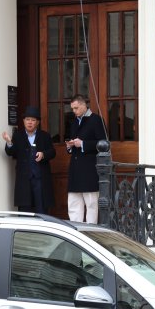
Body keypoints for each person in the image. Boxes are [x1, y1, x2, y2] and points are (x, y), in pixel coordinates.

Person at [2, 106, 55, 213]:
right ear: (23, 121)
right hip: (24, 179)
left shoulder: (45, 136)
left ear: (37, 122)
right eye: (27, 119)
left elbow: (53, 152)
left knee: (42, 211)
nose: (30, 122)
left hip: (40, 179)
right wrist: (9, 142)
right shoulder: (18, 136)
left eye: (33, 120)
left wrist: (43, 154)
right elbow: (10, 152)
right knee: (25, 211)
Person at [65, 94, 107, 223]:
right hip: (75, 169)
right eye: (72, 109)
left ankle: (91, 232)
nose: (74, 111)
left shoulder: (96, 120)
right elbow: (72, 141)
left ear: (84, 105)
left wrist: (82, 144)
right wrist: (70, 146)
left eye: (76, 108)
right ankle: (76, 232)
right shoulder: (73, 122)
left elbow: (103, 144)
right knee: (74, 203)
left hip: (90, 169)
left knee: (91, 204)